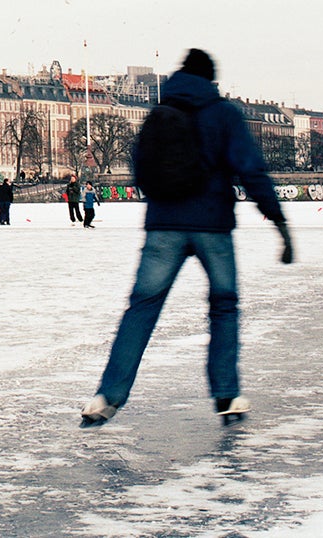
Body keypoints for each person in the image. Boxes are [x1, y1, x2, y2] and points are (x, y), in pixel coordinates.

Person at [81, 49, 294, 429]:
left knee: (142, 308)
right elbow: (250, 169)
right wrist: (278, 220)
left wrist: (163, 199)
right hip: (212, 226)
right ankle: (226, 394)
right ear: (210, 79)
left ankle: (107, 396)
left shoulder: (158, 113)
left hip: (164, 225)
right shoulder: (224, 113)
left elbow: (139, 164)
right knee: (224, 306)